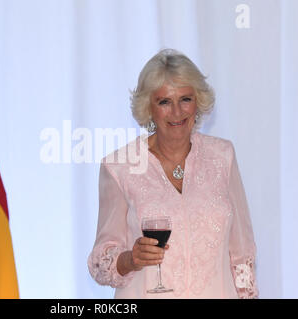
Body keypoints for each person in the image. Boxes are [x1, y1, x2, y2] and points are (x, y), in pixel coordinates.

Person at [87, 49, 258, 298]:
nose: (177, 112)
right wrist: (130, 259)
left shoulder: (223, 156)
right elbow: (100, 265)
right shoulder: (119, 166)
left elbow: (242, 256)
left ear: (198, 101)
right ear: (149, 107)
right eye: (164, 101)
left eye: (185, 99)